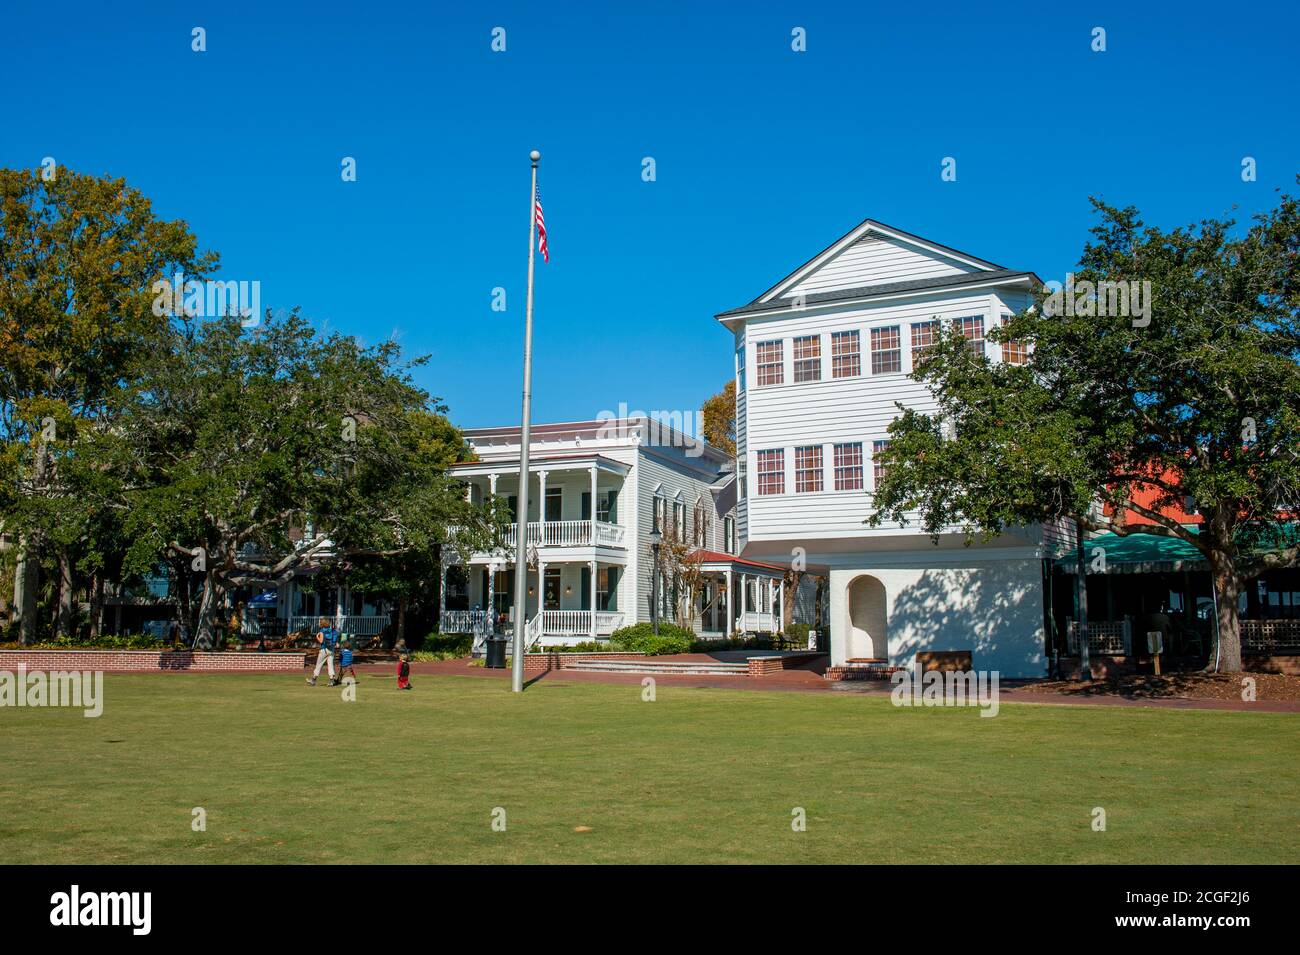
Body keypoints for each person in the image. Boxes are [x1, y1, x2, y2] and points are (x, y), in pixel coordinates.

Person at [307, 617, 339, 686]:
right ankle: (331, 680)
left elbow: (321, 641)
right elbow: (336, 641)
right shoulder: (333, 631)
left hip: (324, 650)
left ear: (322, 623)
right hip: (331, 650)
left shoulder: (322, 631)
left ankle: (313, 680)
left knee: (319, 665)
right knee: (330, 665)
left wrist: (317, 637)